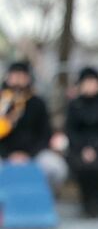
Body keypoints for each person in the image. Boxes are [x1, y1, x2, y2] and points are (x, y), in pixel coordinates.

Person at [0, 60, 68, 188]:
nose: (18, 80)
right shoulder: (2, 103)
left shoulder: (37, 103)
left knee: (56, 168)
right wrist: (8, 155)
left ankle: (43, 196)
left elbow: (45, 135)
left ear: (28, 78)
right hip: (3, 155)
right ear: (8, 78)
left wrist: (28, 155)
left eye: (22, 76)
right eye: (14, 76)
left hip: (34, 154)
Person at [64, 67, 98, 219]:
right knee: (82, 166)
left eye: (92, 82)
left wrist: (97, 148)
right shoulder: (74, 105)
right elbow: (70, 131)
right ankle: (85, 204)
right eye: (86, 82)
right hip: (79, 149)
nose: (89, 86)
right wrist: (83, 149)